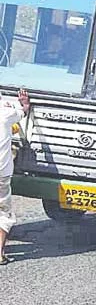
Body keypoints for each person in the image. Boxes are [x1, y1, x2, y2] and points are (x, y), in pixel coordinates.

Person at [0, 89, 30, 265]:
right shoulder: (6, 111)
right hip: (1, 173)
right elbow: (23, 110)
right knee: (3, 213)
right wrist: (24, 103)